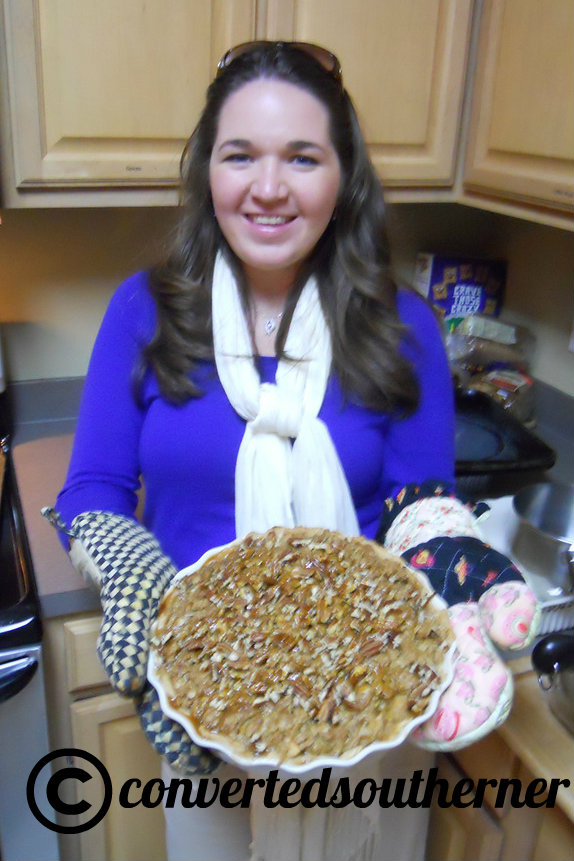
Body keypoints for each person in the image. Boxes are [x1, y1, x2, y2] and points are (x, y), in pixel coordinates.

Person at [50, 41, 537, 861]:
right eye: (240, 155)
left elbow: (417, 497)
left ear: (341, 176)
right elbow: (93, 488)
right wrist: (135, 573)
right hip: (205, 710)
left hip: (366, 714)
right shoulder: (145, 311)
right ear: (209, 168)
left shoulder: (403, 324)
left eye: (302, 157)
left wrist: (441, 537)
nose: (268, 188)